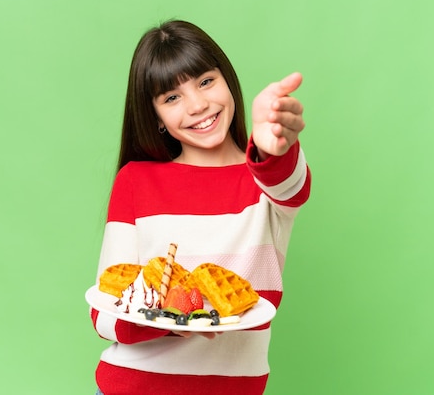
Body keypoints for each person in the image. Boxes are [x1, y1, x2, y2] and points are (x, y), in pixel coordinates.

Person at [89, 19, 311, 395]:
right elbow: (104, 315)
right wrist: (170, 319)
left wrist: (274, 145)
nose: (198, 105)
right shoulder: (135, 181)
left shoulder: (265, 182)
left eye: (206, 81)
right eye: (171, 98)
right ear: (156, 116)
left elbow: (289, 183)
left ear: (227, 80)